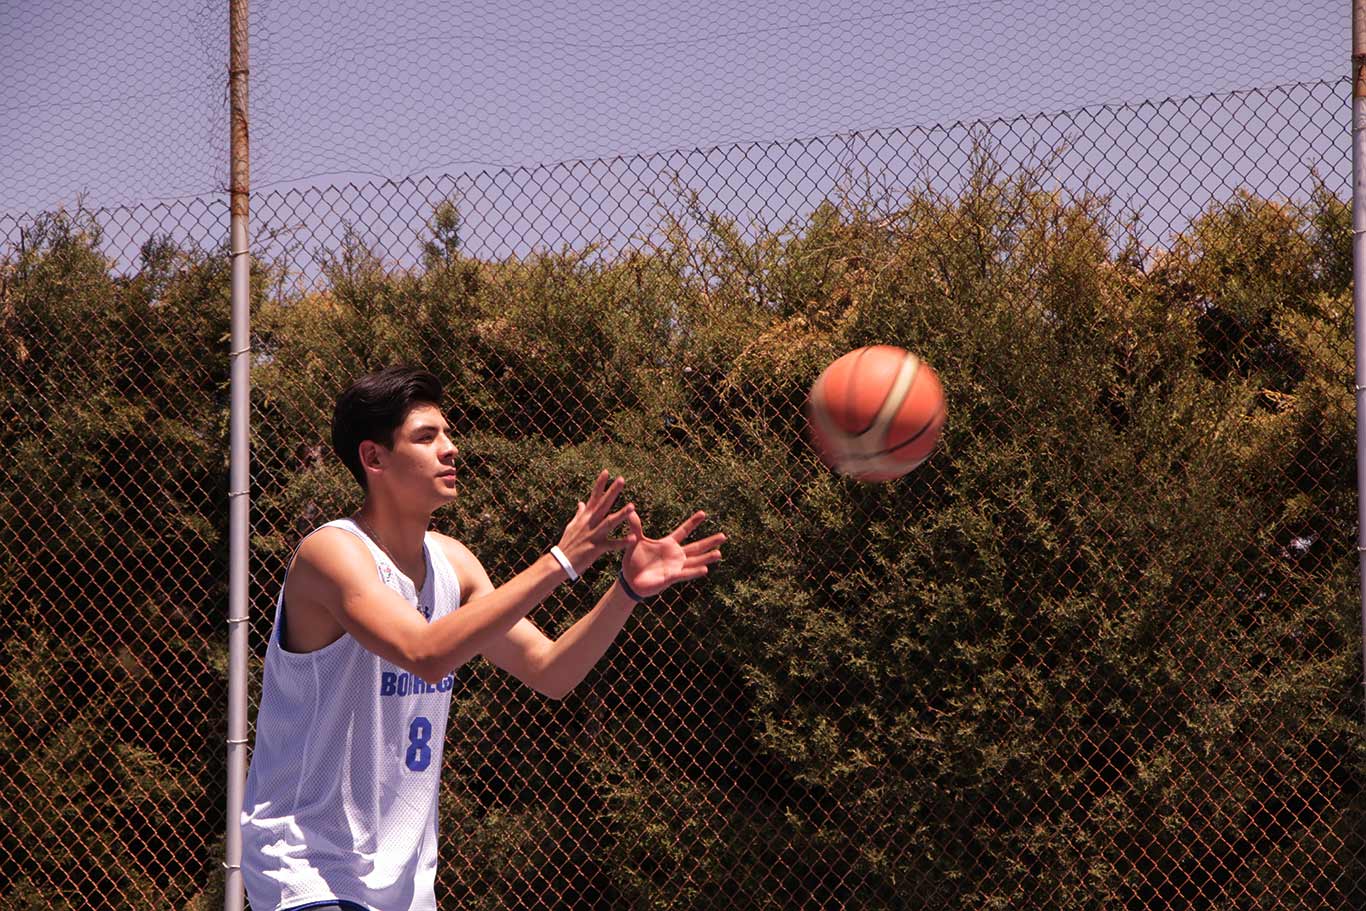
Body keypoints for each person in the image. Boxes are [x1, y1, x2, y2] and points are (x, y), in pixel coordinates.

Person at [240, 365, 725, 911]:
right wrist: (560, 561)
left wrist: (625, 592)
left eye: (448, 433)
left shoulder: (453, 564)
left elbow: (551, 671)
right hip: (309, 869)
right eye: (427, 437)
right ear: (374, 458)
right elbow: (425, 653)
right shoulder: (333, 555)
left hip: (404, 884)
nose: (450, 448)